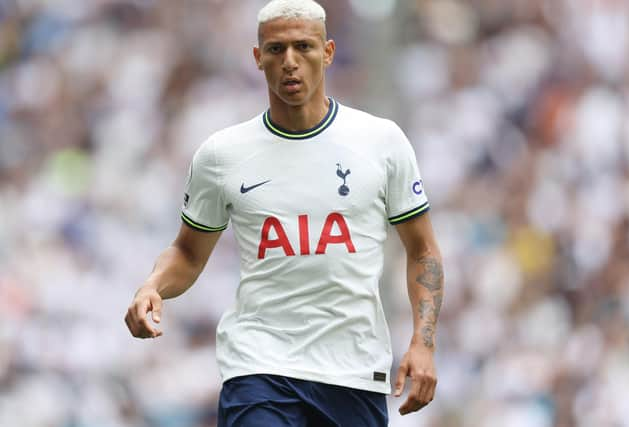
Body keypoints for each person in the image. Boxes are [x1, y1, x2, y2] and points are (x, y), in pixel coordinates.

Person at [124, 0, 444, 425]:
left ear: (327, 52)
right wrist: (153, 287)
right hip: (259, 367)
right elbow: (187, 252)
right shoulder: (223, 155)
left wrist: (424, 343)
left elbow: (422, 250)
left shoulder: (381, 142)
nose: (290, 62)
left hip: (353, 370)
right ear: (258, 58)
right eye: (276, 50)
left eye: (303, 47)